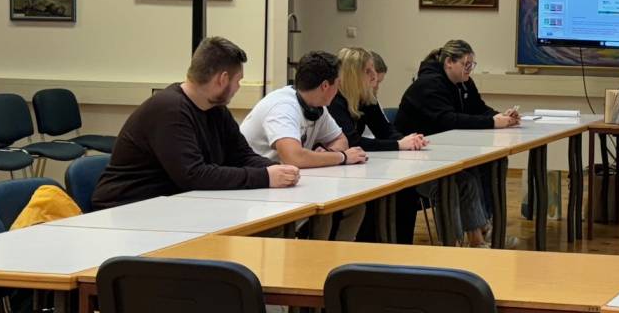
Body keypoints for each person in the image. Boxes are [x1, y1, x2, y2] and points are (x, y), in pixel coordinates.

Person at [92, 37, 300, 210]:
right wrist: (265, 177)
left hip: (169, 205)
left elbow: (241, 155)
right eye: (238, 80)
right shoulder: (169, 109)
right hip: (128, 208)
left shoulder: (215, 108)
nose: (238, 87)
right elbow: (193, 175)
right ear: (222, 79)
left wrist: (278, 169)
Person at [241, 51, 367, 242]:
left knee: (353, 207)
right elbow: (294, 157)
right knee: (324, 209)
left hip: (288, 183)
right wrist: (341, 157)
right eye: (338, 83)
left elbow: (341, 140)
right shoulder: (283, 107)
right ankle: (315, 257)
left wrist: (327, 154)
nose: (338, 89)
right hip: (256, 189)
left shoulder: (316, 107)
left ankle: (335, 257)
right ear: (325, 86)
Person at [393, 40, 506, 247]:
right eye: (465, 64)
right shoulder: (428, 85)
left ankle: (478, 239)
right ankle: (452, 245)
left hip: (439, 156)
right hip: (413, 162)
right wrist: (492, 122)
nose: (469, 69)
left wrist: (501, 117)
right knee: (450, 186)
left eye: (472, 64)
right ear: (449, 63)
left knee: (471, 177)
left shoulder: (463, 82)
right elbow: (448, 120)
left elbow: (479, 109)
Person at [328, 47, 430, 244]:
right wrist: (398, 145)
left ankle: (402, 251)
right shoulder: (335, 101)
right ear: (353, 74)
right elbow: (352, 142)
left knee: (406, 191)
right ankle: (373, 247)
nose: (374, 76)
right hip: (336, 171)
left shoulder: (365, 97)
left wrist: (410, 142)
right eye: (368, 71)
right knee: (374, 198)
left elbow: (386, 130)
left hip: (359, 166)